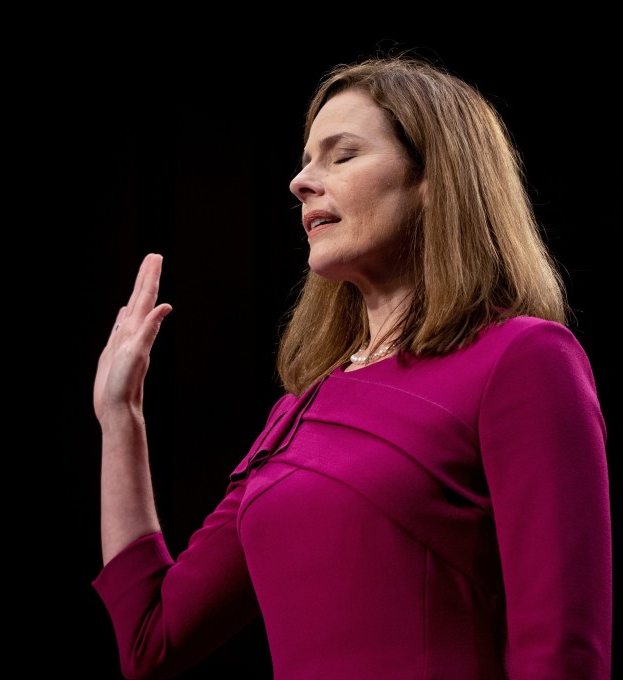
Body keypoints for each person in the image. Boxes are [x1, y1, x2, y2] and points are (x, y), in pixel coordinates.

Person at [90, 54, 611, 679]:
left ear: (434, 178)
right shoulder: (298, 412)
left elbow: (561, 653)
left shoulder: (523, 359)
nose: (300, 182)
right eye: (306, 160)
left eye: (342, 156)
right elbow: (151, 639)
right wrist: (120, 417)